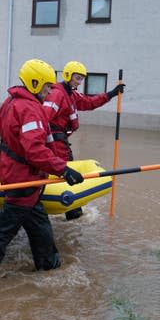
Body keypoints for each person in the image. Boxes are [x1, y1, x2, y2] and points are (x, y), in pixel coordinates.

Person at [0, 59, 85, 282]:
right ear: (35, 83)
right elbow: (35, 151)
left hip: (17, 173)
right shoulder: (30, 109)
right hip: (22, 178)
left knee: (39, 226)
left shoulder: (11, 101)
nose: (51, 91)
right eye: (47, 86)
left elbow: (5, 130)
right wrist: (64, 169)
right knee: (3, 230)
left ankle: (49, 267)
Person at [43, 60, 125, 220]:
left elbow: (89, 103)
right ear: (67, 75)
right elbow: (44, 118)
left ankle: (73, 214)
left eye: (81, 79)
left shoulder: (71, 94)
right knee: (67, 175)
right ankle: (74, 215)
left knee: (68, 175)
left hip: (62, 142)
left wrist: (111, 94)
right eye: (77, 78)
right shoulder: (57, 93)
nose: (79, 82)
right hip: (56, 144)